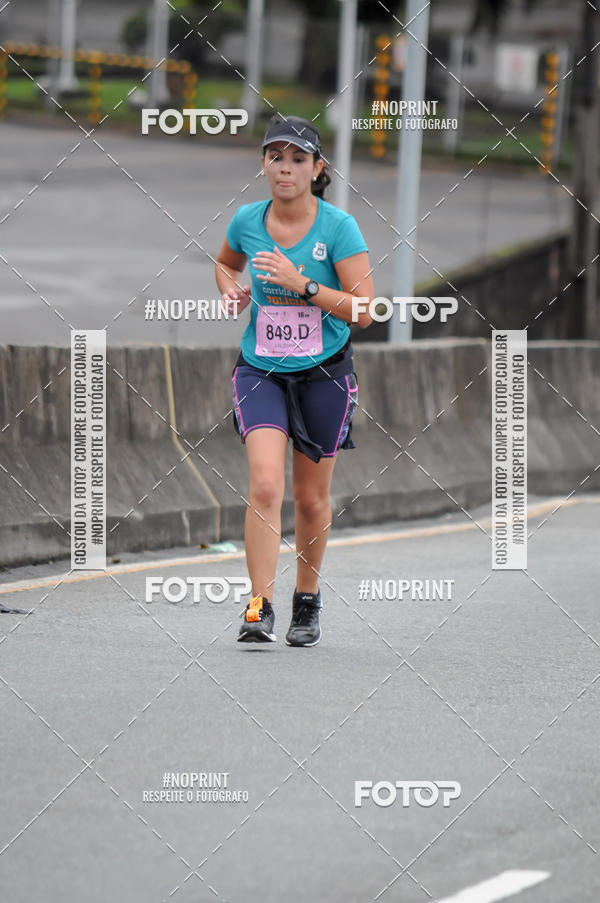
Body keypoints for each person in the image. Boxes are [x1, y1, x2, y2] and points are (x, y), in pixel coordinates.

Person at [214, 114, 374, 647]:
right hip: (261, 368)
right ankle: (258, 605)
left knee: (309, 498)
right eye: (276, 157)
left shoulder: (338, 228)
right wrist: (231, 290)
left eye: (298, 159)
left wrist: (302, 284)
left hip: (324, 371)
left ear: (317, 168)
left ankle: (307, 598)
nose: (286, 168)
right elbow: (225, 264)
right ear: (263, 164)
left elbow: (365, 310)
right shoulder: (246, 220)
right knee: (265, 484)